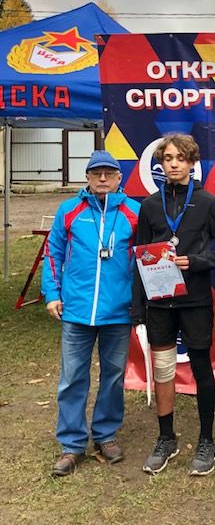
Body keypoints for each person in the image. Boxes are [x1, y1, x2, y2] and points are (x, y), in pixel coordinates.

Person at [131, 133, 215, 476]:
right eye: (168, 159)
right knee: (163, 370)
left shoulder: (207, 202)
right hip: (159, 303)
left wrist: (198, 261)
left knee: (201, 367)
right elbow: (139, 258)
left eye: (180, 158)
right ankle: (166, 438)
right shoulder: (149, 205)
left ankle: (206, 441)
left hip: (195, 300)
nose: (173, 164)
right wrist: (137, 308)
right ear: (160, 164)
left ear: (192, 163)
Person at [42, 150, 140, 477]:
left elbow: (145, 258)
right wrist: (52, 294)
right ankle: (72, 444)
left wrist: (138, 303)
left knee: (113, 377)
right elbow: (53, 252)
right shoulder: (69, 210)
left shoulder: (134, 212)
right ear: (87, 177)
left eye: (109, 173)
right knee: (72, 378)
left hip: (118, 311)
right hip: (77, 309)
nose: (102, 178)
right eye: (96, 173)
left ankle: (105, 435)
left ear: (119, 178)